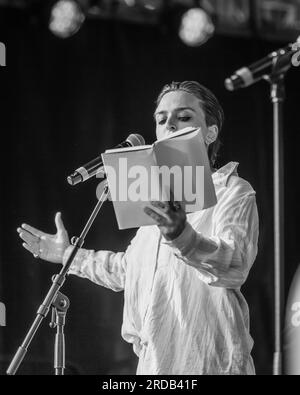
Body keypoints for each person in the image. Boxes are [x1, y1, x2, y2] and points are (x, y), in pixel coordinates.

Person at [17, 81, 259, 375]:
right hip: (154, 365)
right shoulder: (153, 198)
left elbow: (233, 264)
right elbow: (128, 270)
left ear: (210, 132)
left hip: (210, 363)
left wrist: (182, 236)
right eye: (161, 119)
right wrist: (69, 255)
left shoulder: (232, 190)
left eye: (183, 117)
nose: (169, 123)